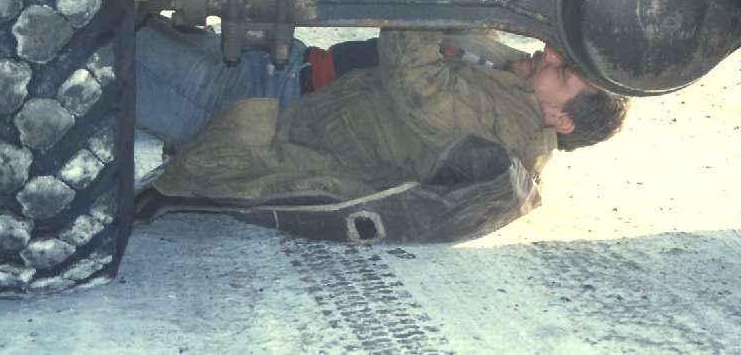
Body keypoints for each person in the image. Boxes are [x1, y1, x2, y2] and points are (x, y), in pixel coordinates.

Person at [135, 18, 629, 242]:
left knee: (113, 40)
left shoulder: (507, 130)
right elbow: (469, 42)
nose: (550, 54)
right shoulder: (520, 94)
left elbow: (417, 81)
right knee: (124, 21)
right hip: (283, 73)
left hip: (254, 105)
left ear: (561, 118)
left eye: (564, 70)